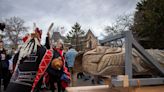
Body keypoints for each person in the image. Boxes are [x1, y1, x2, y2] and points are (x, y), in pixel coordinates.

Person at [6, 27, 53, 92]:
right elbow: (49, 67)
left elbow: (14, 62)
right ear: (39, 38)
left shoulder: (22, 50)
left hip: (12, 85)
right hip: (27, 87)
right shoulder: (44, 51)